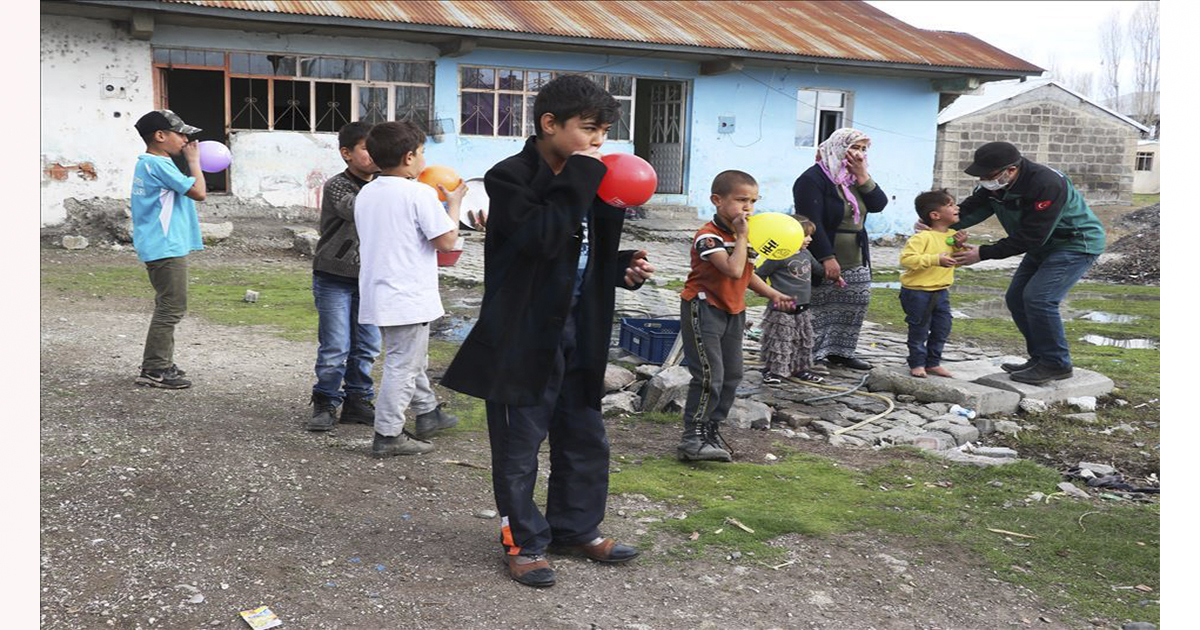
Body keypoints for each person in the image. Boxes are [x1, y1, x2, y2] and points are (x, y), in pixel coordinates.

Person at [440, 75, 655, 588]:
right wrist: (582, 174)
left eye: (604, 131)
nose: (598, 142)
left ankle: (576, 527)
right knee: (519, 446)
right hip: (524, 333)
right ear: (550, 124)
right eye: (588, 129)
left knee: (585, 436)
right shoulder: (509, 176)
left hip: (581, 327)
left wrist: (618, 266)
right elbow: (541, 238)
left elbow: (581, 251)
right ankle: (525, 540)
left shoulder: (596, 179)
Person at [948, 141, 1105, 384]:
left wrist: (983, 253)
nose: (984, 180)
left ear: (1010, 170)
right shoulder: (998, 184)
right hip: (1042, 246)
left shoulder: (1047, 184)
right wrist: (937, 223)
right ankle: (1040, 358)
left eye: (988, 175)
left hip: (1074, 243)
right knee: (1016, 298)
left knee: (1039, 298)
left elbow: (1032, 235)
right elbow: (972, 208)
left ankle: (1056, 364)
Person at [354, 121, 465, 457]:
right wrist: (455, 204)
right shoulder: (419, 193)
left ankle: (428, 413)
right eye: (421, 153)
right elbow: (446, 242)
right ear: (408, 157)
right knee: (403, 363)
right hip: (408, 295)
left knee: (411, 358)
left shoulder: (367, 192)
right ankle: (388, 434)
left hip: (380, 291)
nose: (423, 160)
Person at [677, 171, 796, 462]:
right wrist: (742, 237)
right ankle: (692, 438)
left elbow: (746, 272)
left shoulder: (746, 237)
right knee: (709, 375)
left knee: (732, 375)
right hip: (704, 309)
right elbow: (730, 268)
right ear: (717, 200)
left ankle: (711, 430)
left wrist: (773, 294)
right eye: (741, 200)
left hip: (734, 310)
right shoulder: (708, 236)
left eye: (753, 201)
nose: (748, 208)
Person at [793, 128, 889, 371]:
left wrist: (863, 175)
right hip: (827, 252)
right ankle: (809, 355)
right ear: (837, 148)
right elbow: (812, 221)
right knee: (819, 306)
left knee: (854, 303)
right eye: (853, 148)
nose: (858, 154)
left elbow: (878, 204)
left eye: (863, 149)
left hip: (856, 254)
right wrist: (827, 257)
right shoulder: (813, 179)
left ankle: (841, 352)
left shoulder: (853, 178)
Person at [307, 122, 382, 431]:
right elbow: (357, 210)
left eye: (379, 148)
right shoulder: (338, 185)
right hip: (334, 276)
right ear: (346, 153)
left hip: (370, 280)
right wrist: (393, 186)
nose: (375, 154)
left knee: (367, 346)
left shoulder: (384, 184)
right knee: (336, 346)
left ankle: (358, 401)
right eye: (367, 148)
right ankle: (325, 401)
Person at [130, 110, 207, 389]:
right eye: (181, 134)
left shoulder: (150, 164)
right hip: (165, 247)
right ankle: (155, 368)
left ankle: (161, 362)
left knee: (168, 305)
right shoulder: (159, 164)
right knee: (171, 308)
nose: (186, 140)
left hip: (160, 244)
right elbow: (199, 192)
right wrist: (194, 161)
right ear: (160, 136)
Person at [900, 189, 967, 378]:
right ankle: (917, 363)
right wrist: (935, 259)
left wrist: (959, 247)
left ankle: (933, 362)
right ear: (935, 215)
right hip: (917, 292)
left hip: (941, 291)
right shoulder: (921, 237)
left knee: (942, 327)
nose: (957, 208)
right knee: (919, 328)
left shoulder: (952, 236)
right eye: (951, 205)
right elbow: (907, 260)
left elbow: (954, 260)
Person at [756, 216, 826, 385]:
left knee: (802, 340)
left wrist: (835, 273)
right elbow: (759, 275)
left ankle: (799, 369)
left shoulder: (806, 254)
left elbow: (819, 270)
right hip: (782, 308)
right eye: (805, 235)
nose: (809, 239)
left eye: (810, 235)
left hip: (803, 307)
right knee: (780, 340)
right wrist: (766, 291)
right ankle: (773, 371)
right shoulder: (778, 256)